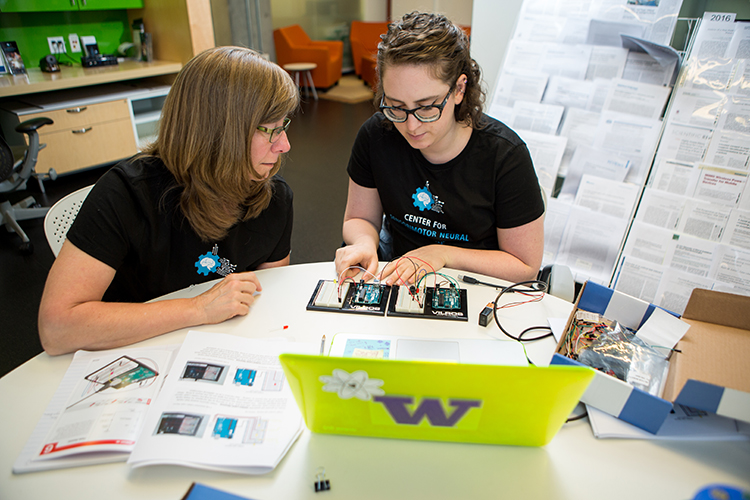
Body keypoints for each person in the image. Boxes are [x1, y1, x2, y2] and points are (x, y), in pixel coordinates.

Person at [38, 47, 300, 355]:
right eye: (268, 129)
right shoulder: (127, 193)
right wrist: (197, 309)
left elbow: (270, 299)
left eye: (284, 125)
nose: (285, 144)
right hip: (133, 354)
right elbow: (56, 329)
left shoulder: (273, 196)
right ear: (216, 130)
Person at [334, 12, 545, 286]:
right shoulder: (377, 135)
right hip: (398, 281)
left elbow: (525, 265)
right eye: (396, 106)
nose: (411, 125)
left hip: (476, 286)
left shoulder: (505, 156)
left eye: (426, 107)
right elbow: (359, 217)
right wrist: (364, 242)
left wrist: (441, 254)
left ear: (459, 89)